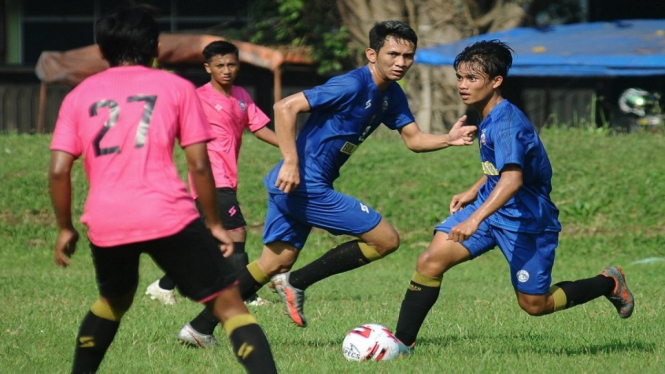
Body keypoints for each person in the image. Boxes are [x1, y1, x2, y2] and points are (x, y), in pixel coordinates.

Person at [48, 6, 277, 373]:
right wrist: (215, 225)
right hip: (167, 214)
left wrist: (64, 227)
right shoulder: (176, 87)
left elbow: (59, 170)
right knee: (230, 305)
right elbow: (199, 164)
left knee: (112, 301)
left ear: (102, 51)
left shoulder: (79, 95)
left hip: (107, 221)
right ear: (156, 47)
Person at [224, 19, 477, 332]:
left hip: (297, 184)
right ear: (372, 54)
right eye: (393, 54)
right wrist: (290, 161)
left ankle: (200, 326)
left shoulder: (392, 94)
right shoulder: (352, 84)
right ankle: (297, 282)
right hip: (303, 183)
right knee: (386, 239)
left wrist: (448, 139)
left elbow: (413, 139)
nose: (401, 62)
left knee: (273, 262)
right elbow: (284, 107)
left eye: (408, 56)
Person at [393, 39, 635, 354]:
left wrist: (474, 219)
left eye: (472, 79)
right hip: (492, 208)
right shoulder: (488, 114)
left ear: (496, 81)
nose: (463, 86)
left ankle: (609, 283)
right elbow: (504, 167)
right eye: (460, 77)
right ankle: (401, 343)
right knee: (430, 261)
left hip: (527, 220)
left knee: (535, 304)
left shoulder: (506, 123)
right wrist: (474, 191)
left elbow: (513, 179)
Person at [143, 40, 279, 347]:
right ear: (208, 68)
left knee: (203, 243)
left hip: (228, 179)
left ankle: (164, 285)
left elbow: (257, 127)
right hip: (209, 178)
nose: (227, 70)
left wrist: (289, 145)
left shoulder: (242, 97)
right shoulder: (197, 97)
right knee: (237, 233)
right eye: (220, 65)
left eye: (231, 64)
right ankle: (249, 293)